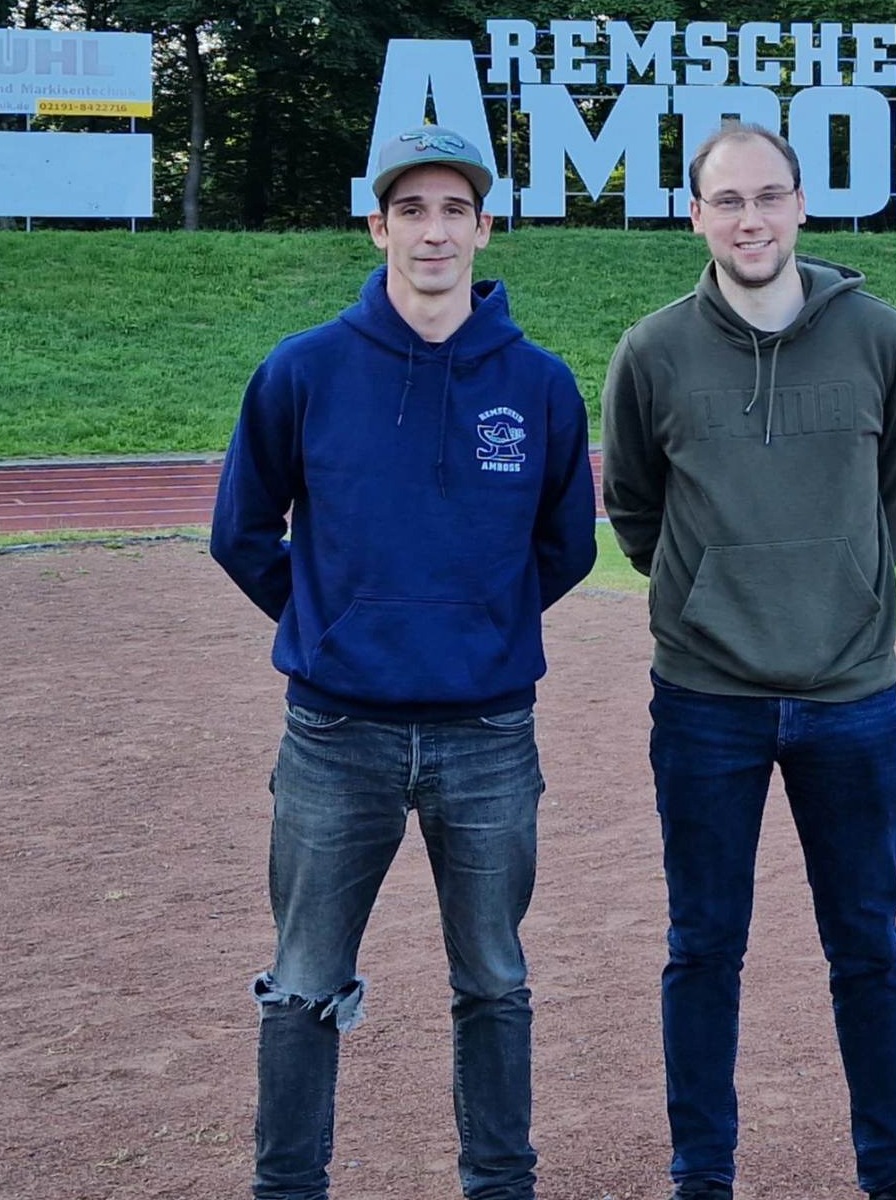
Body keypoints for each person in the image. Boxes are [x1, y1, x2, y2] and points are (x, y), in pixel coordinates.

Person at [210, 124, 598, 1200]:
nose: (434, 230)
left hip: (487, 738)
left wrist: (477, 625)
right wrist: (332, 626)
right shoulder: (303, 370)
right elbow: (243, 532)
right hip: (337, 736)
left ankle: (498, 1182)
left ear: (483, 227)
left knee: (495, 981)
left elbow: (565, 548)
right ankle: (288, 1187)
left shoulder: (540, 384)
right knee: (301, 983)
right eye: (412, 210)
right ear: (377, 225)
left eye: (454, 210)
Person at [599, 122, 896, 1200]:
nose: (750, 219)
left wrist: (839, 592)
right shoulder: (650, 353)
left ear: (800, 206)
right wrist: (713, 601)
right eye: (727, 201)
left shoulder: (879, 338)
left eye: (769, 197)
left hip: (850, 696)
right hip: (707, 700)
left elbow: (892, 494)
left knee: (866, 946)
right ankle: (702, 1176)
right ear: (693, 215)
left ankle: (892, 1176)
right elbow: (634, 508)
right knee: (703, 946)